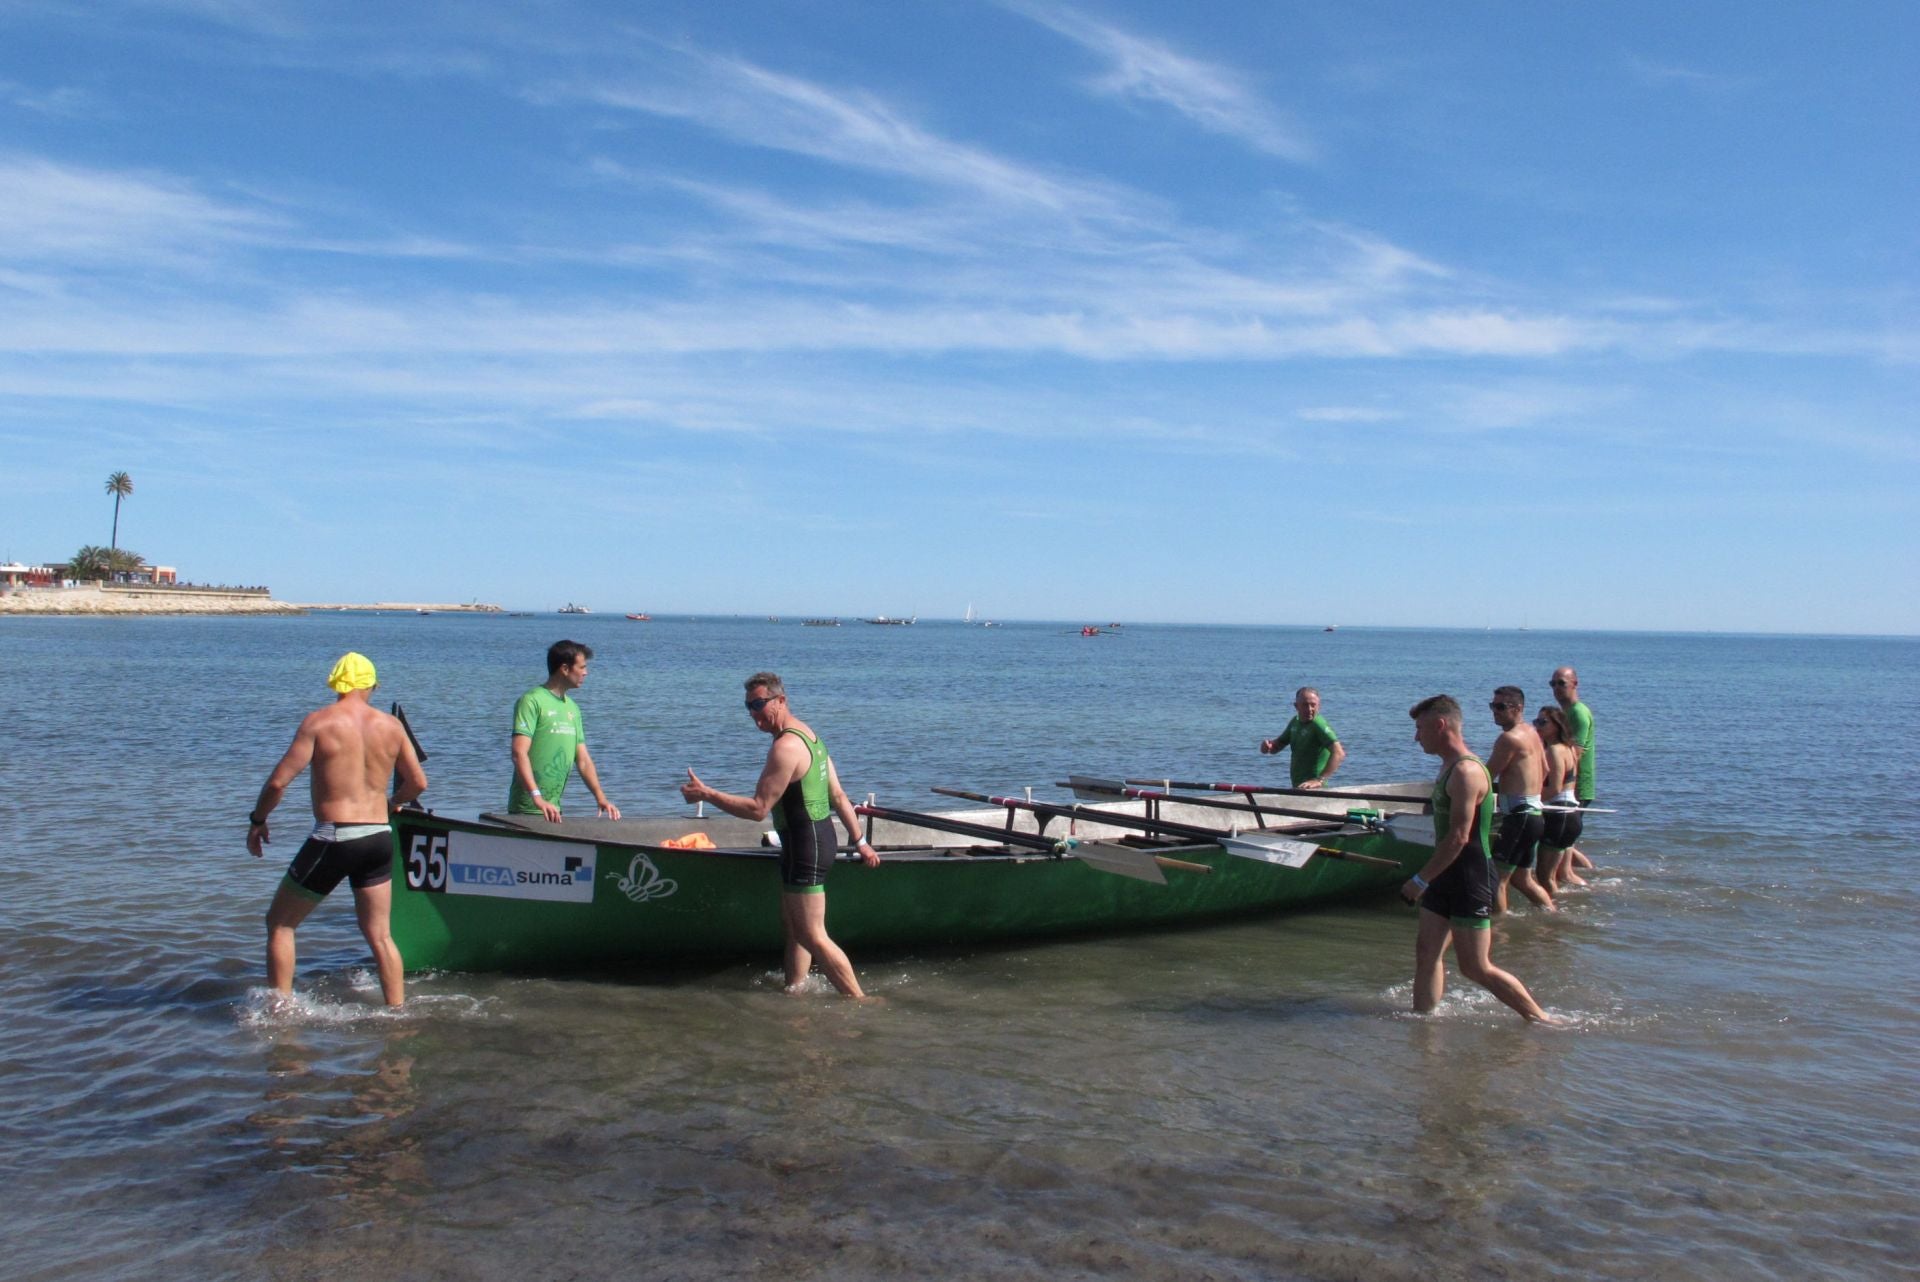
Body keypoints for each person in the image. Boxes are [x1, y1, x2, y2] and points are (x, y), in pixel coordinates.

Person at [680, 672, 881, 999]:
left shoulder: (786, 747)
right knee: (795, 929)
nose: (754, 713)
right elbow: (838, 795)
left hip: (807, 845)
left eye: (760, 704)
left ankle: (861, 1000)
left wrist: (708, 795)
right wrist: (860, 842)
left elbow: (759, 809)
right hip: (806, 841)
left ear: (781, 700)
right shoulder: (809, 735)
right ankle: (795, 990)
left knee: (813, 934)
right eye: (749, 707)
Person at [247, 652, 428, 1006]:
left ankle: (280, 1012)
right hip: (378, 837)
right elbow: (418, 783)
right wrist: (392, 803)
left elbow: (278, 783)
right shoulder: (392, 726)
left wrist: (258, 820)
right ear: (372, 685)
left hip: (336, 836)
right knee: (380, 936)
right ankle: (397, 1012)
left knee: (280, 924)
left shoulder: (319, 722)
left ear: (337, 684)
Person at [1400, 695, 1554, 1023]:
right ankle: (1422, 1026)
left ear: (1440, 725)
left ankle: (1541, 1019)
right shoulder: (1448, 766)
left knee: (1475, 966)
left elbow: (1459, 837)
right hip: (1444, 874)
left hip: (1470, 876)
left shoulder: (1467, 771)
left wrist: (1420, 879)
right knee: (1426, 954)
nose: (1416, 737)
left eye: (1420, 728)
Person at [508, 640, 620, 823]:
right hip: (526, 810)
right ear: (565, 669)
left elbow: (583, 760)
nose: (586, 672)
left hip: (554, 810)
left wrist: (600, 797)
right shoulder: (531, 701)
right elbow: (518, 753)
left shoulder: (573, 708)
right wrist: (537, 798)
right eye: (582, 667)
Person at [1486, 686, 1555, 914]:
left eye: (1500, 707)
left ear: (1518, 708)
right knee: (1521, 879)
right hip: (1534, 815)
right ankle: (1552, 915)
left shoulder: (1508, 739)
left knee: (1497, 879)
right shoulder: (1532, 733)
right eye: (1492, 706)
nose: (1495, 711)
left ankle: (1499, 928)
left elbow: (1486, 776)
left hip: (1519, 818)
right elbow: (1545, 770)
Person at [1534, 706, 1585, 893]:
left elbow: (1554, 788)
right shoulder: (1569, 748)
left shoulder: (1555, 751)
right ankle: (1583, 896)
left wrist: (1528, 798)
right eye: (1536, 722)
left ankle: (1553, 908)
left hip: (1559, 816)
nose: (1538, 726)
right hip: (1570, 814)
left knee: (1544, 876)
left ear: (1557, 726)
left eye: (1543, 722)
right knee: (1557, 875)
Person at [1551, 665, 1596, 870]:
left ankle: (1576, 876)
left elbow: (1576, 752)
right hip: (1567, 784)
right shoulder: (1564, 712)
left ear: (1575, 684)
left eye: (1561, 683)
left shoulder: (1578, 712)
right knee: (1564, 840)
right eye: (1553, 684)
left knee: (1564, 839)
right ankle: (1590, 873)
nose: (1556, 688)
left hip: (1577, 785)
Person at [1259, 686, 1346, 789]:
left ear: (1319, 706)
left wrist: (1320, 780)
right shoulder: (1295, 722)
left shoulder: (1318, 725)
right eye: (1305, 705)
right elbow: (1278, 745)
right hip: (1299, 786)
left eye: (1313, 705)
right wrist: (1268, 747)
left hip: (1314, 788)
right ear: (1296, 706)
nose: (1309, 709)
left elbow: (1339, 753)